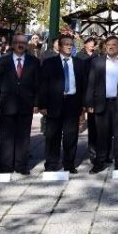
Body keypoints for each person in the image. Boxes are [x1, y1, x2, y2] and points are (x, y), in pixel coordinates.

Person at [86, 36, 118, 173]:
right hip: (101, 103)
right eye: (108, 44)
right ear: (105, 46)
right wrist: (89, 103)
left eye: (114, 44)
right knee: (102, 135)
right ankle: (99, 163)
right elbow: (91, 84)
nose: (111, 47)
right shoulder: (97, 62)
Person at [39, 35, 87, 173]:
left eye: (71, 44)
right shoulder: (49, 63)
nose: (69, 46)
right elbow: (43, 85)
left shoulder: (79, 63)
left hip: (73, 103)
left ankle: (69, 163)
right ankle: (51, 164)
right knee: (52, 135)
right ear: (59, 46)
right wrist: (42, 105)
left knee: (71, 136)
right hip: (54, 103)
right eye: (65, 44)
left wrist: (83, 104)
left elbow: (83, 84)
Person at [0, 34, 40, 175]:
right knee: (6, 136)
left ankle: (21, 165)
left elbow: (38, 84)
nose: (20, 45)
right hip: (7, 104)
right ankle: (6, 166)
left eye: (23, 42)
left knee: (23, 137)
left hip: (26, 104)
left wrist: (37, 103)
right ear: (13, 44)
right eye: (17, 42)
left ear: (27, 45)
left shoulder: (34, 62)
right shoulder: (3, 61)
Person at [76, 37, 99, 163]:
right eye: (89, 43)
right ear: (84, 44)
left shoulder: (98, 56)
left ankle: (94, 152)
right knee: (82, 122)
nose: (92, 45)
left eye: (93, 43)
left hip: (94, 94)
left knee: (94, 125)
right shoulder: (79, 57)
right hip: (83, 93)